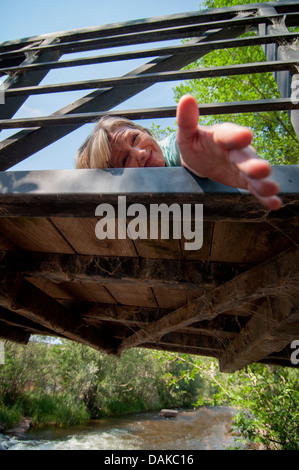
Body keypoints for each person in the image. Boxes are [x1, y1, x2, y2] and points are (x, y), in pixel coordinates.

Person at [76, 94, 282, 210]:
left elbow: (181, 152)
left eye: (136, 138)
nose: (139, 153)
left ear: (144, 131)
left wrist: (206, 157)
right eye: (124, 159)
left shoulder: (173, 148)